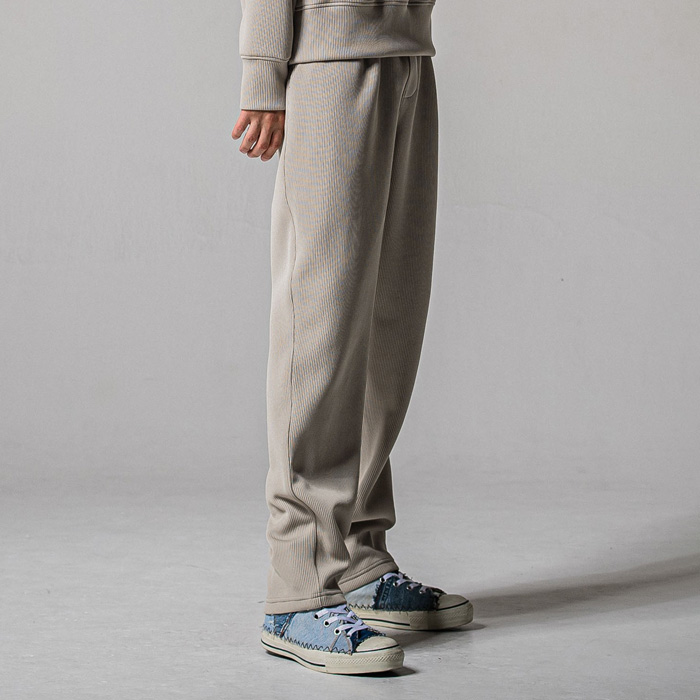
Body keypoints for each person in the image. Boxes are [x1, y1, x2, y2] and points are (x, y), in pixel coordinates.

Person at [231, 0, 473, 675]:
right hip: (329, 61)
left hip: (408, 57)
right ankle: (298, 589)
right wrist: (263, 70)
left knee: (388, 327)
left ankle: (359, 560)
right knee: (322, 327)